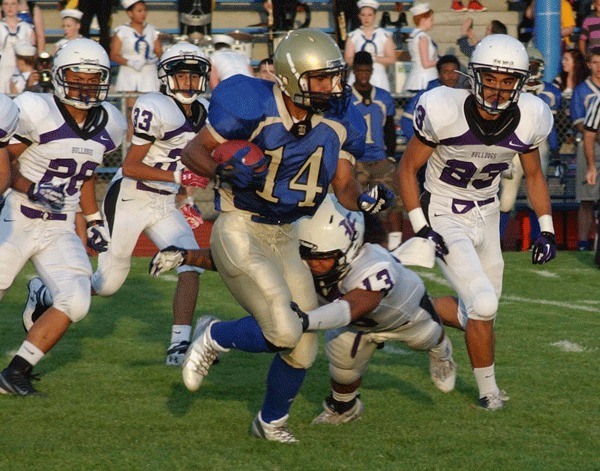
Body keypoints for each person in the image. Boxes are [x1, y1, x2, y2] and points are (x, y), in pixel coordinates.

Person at [178, 29, 394, 442]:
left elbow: (343, 187)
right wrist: (223, 171)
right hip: (240, 227)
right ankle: (214, 334)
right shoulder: (252, 103)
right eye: (321, 79)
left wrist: (366, 201)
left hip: (287, 235)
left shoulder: (337, 117)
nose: (331, 86)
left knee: (303, 346)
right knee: (282, 331)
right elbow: (193, 152)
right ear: (292, 77)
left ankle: (270, 422)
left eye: (334, 77)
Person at [148, 195, 458, 423]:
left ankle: (442, 350)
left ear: (349, 245)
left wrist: (306, 320)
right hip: (352, 327)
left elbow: (351, 307)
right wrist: (187, 257)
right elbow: (243, 264)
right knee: (344, 373)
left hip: (403, 316)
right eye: (306, 255)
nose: (312, 264)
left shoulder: (373, 265)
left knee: (428, 338)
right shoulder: (311, 254)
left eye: (321, 256)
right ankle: (344, 410)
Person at [397, 34, 557, 410]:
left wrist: (546, 229)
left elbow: (534, 176)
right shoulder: (443, 108)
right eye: (490, 78)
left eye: (507, 81)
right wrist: (421, 225)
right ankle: (488, 394)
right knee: (482, 303)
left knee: (480, 310)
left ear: (520, 83)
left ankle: (401, 311)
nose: (498, 89)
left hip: (486, 212)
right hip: (443, 211)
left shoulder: (531, 117)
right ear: (474, 76)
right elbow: (406, 169)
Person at [0, 38, 126, 396]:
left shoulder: (111, 123)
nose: (85, 85)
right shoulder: (36, 110)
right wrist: (31, 188)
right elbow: (5, 161)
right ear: (58, 76)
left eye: (93, 78)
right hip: (17, 215)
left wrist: (95, 219)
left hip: (60, 226)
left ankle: (15, 373)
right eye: (78, 76)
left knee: (77, 299)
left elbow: (84, 175)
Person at [499, 47, 562, 241]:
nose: (532, 71)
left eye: (535, 67)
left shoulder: (550, 92)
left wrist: (556, 149)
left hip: (538, 146)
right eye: (529, 67)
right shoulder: (511, 90)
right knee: (506, 199)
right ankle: (498, 240)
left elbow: (550, 127)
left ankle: (538, 239)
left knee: (536, 197)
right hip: (513, 147)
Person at [351, 50, 403, 250]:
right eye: (360, 70)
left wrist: (390, 155)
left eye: (367, 70)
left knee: (393, 201)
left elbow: (389, 127)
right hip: (358, 160)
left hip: (380, 158)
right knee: (358, 202)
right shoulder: (347, 97)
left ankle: (396, 247)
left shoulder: (382, 96)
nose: (363, 74)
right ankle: (364, 244)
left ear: (372, 71)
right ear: (354, 70)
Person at [110, 0, 163, 142]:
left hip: (148, 73)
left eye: (144, 10)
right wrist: (130, 62)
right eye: (139, 11)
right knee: (131, 114)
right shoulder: (122, 31)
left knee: (150, 112)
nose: (143, 14)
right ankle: (129, 145)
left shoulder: (151, 29)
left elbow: (159, 51)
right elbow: (114, 54)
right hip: (130, 73)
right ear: (130, 13)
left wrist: (153, 59)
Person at [570, 47, 600, 251]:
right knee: (587, 198)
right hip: (589, 146)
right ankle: (582, 242)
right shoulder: (582, 90)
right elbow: (579, 122)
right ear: (589, 64)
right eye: (595, 63)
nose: (599, 68)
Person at [399, 54, 462, 142]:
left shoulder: (464, 94)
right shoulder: (426, 95)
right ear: (439, 74)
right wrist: (422, 143)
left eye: (454, 71)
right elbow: (406, 120)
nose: (451, 76)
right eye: (446, 72)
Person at [344, 0, 396, 92]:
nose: (366, 18)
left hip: (379, 77)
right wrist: (361, 60)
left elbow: (391, 58)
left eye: (369, 15)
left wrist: (373, 58)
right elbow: (348, 59)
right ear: (359, 16)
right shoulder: (353, 36)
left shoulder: (384, 35)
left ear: (375, 16)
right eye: (363, 15)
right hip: (357, 76)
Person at [0, 0, 35, 94]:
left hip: (22, 70)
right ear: (2, 7)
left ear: (18, 6)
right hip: (3, 68)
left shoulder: (27, 27)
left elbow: (32, 50)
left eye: (13, 4)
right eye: (6, 4)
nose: (9, 7)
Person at [403, 2, 438, 93]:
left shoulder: (414, 35)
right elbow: (426, 64)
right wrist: (440, 61)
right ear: (423, 20)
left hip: (417, 78)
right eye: (431, 20)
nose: (433, 23)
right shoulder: (422, 37)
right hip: (425, 79)